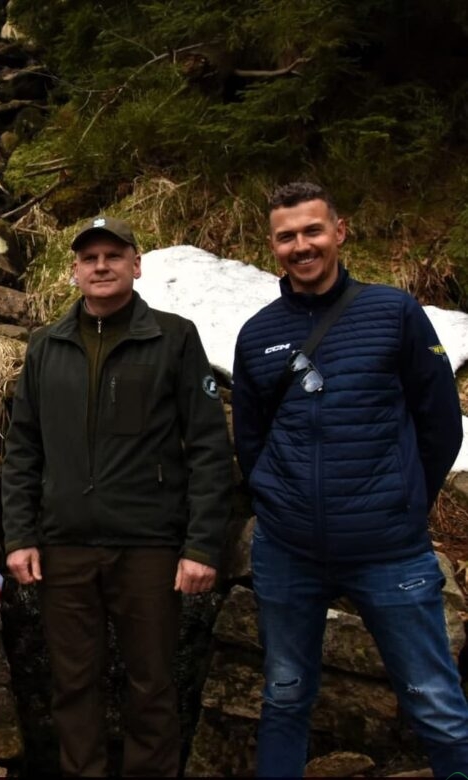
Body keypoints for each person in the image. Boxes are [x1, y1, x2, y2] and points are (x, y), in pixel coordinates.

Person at [231, 181, 468, 777]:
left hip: (389, 551)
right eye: (287, 236)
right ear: (272, 246)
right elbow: (251, 441)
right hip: (288, 552)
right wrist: (277, 502)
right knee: (284, 696)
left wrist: (403, 503)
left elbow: (441, 423)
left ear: (339, 232)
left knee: (436, 704)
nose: (301, 245)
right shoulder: (257, 334)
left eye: (313, 230)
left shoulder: (395, 313)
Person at [1, 215, 234, 776]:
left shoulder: (174, 338)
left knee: (152, 682)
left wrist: (202, 546)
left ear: (136, 264)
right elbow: (23, 448)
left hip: (148, 546)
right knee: (72, 683)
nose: (101, 266)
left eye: (113, 255)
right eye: (90, 258)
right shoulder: (45, 345)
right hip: (64, 547)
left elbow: (209, 447)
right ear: (74, 271)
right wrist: (20, 536)